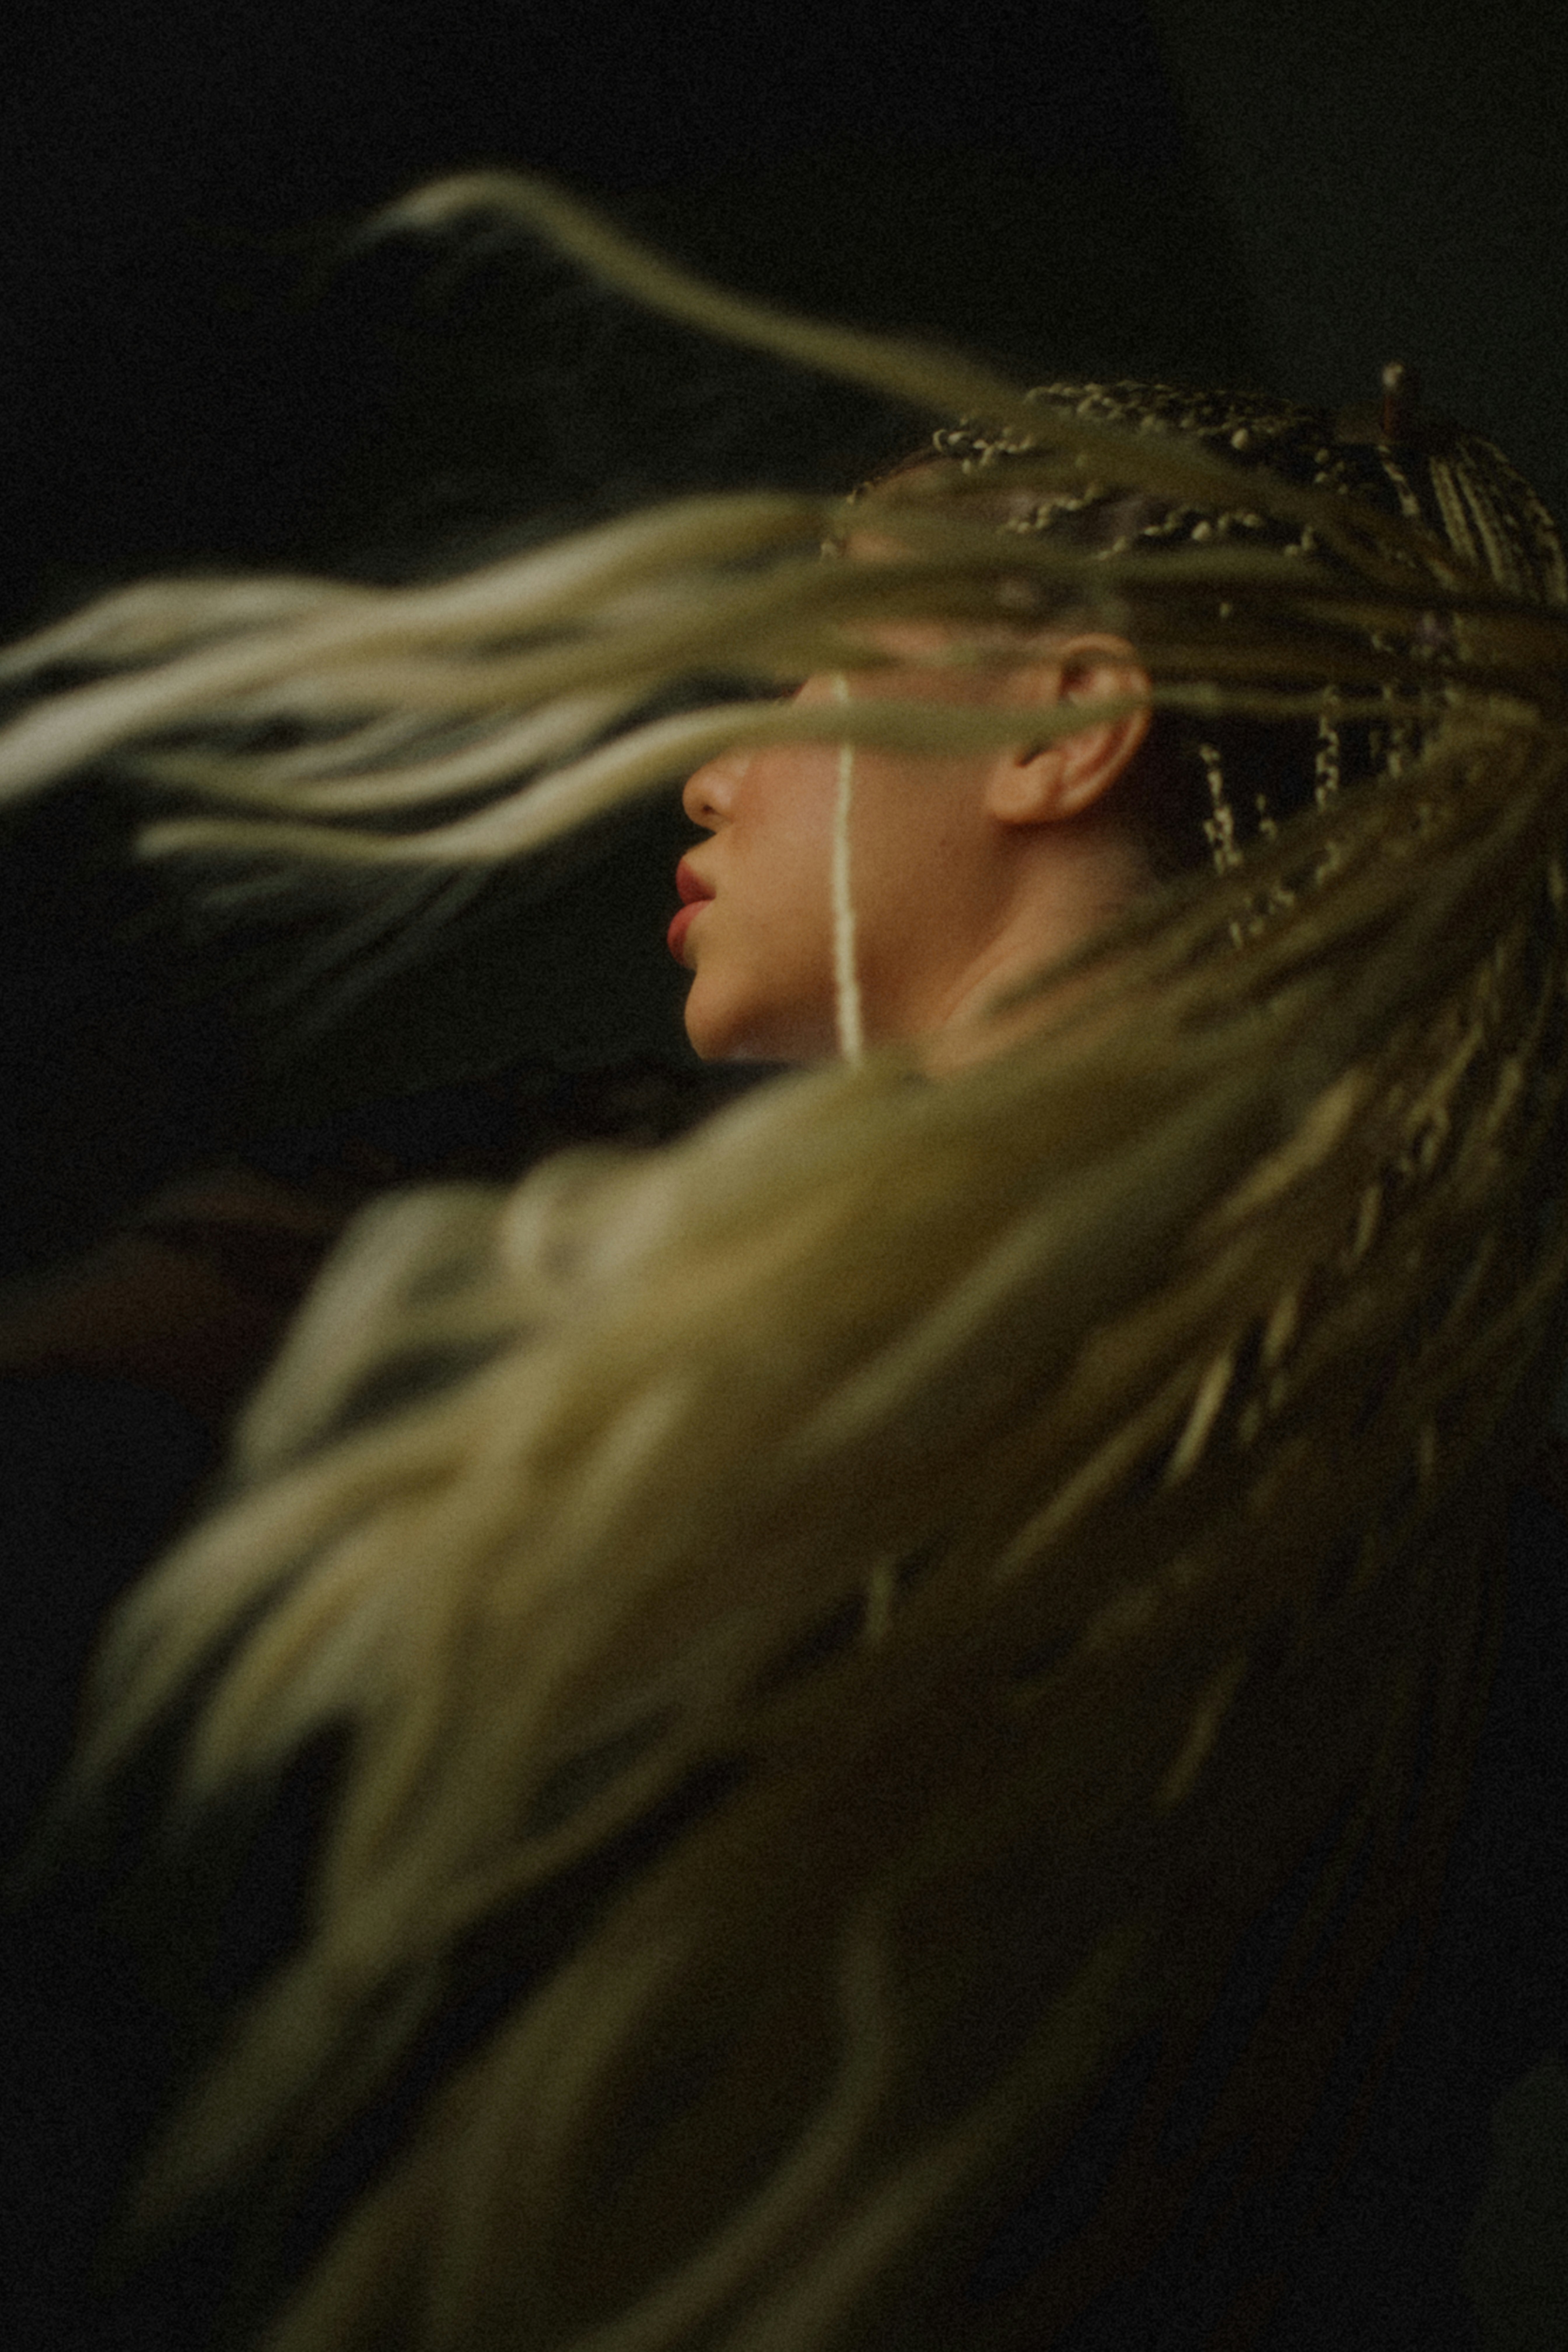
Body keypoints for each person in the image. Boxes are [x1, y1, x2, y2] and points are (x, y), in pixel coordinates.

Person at [4, 173, 1568, 2352]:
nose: (724, 763)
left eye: (822, 649)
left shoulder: (524, 1202)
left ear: (1062, 722)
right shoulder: (1454, 1496)